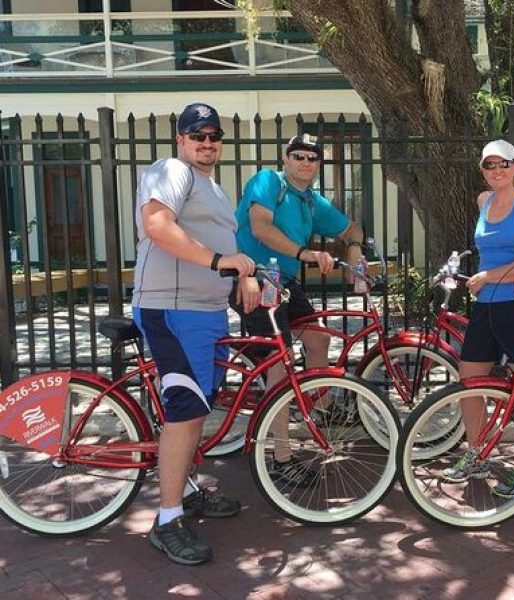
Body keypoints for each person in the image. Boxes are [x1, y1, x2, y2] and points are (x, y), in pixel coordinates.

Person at [132, 102, 260, 565]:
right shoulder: (171, 170)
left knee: (195, 409)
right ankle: (166, 521)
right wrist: (219, 263)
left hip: (204, 312)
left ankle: (184, 491)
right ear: (181, 139)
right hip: (171, 308)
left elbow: (227, 249)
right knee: (185, 414)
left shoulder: (211, 188)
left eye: (214, 135)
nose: (207, 142)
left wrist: (241, 274)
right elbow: (158, 226)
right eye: (197, 134)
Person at [234, 133, 364, 485]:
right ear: (286, 158)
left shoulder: (310, 201)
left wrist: (354, 251)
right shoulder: (267, 182)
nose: (306, 162)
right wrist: (305, 254)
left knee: (319, 341)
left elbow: (353, 227)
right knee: (280, 364)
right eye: (299, 156)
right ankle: (281, 456)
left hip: (285, 283)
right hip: (257, 278)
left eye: (312, 157)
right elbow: (261, 228)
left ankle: (320, 409)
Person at [441, 139, 514, 498]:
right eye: (489, 165)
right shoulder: (483, 202)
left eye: (503, 164)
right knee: (469, 380)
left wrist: (488, 276)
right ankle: (476, 453)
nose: (496, 171)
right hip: (485, 306)